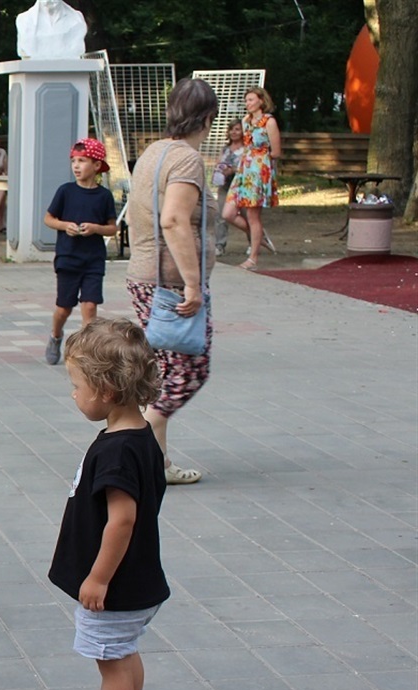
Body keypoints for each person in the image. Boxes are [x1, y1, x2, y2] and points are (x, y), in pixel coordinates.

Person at [41, 317, 168, 690]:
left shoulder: (117, 450)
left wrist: (96, 578)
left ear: (106, 391)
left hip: (116, 588)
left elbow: (123, 521)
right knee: (124, 654)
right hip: (139, 581)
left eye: (77, 385)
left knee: (111, 664)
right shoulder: (139, 437)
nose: (73, 393)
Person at [125, 77, 219, 486]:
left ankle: (157, 465)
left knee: (165, 371)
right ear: (209, 118)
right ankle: (136, 449)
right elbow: (174, 220)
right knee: (188, 373)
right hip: (170, 285)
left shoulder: (154, 152)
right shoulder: (186, 160)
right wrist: (193, 285)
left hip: (146, 277)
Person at [43, 138, 118, 365]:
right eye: (73, 161)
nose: (76, 166)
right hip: (68, 258)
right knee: (64, 308)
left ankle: (86, 351)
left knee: (90, 305)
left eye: (82, 161)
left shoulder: (104, 196)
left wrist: (95, 229)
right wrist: (65, 226)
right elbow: (48, 219)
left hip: (93, 260)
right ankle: (56, 336)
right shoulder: (65, 191)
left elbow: (112, 228)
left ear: (96, 166)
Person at [222, 86, 280, 271]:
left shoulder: (269, 122)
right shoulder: (246, 121)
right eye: (246, 100)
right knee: (228, 213)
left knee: (253, 215)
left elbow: (276, 151)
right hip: (244, 168)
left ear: (261, 101)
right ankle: (259, 237)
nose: (248, 104)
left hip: (259, 168)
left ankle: (253, 258)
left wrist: (262, 165)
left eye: (251, 100)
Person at [211, 122, 244, 258]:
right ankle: (219, 244)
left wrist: (233, 170)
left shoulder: (247, 149)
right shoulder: (225, 148)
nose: (234, 132)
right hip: (225, 185)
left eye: (237, 129)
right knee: (220, 215)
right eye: (231, 129)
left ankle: (253, 242)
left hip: (241, 185)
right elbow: (219, 162)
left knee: (246, 215)